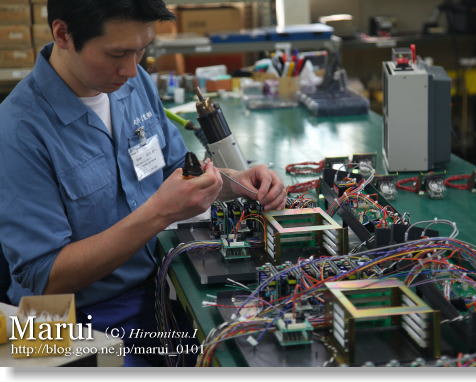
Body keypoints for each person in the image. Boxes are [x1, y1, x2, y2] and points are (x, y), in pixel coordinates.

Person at [0, 0, 286, 366]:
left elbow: (177, 172)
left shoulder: (133, 87)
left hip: (158, 287)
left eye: (142, 51)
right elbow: (45, 277)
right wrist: (159, 213)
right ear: (63, 34)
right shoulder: (18, 130)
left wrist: (233, 182)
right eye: (118, 53)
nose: (132, 70)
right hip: (63, 319)